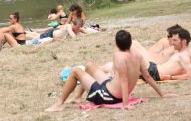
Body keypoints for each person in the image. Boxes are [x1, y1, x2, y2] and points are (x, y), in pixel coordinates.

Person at [45, 30, 174, 112]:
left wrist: (125, 104)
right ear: (130, 43)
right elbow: (148, 77)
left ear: (117, 44)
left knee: (75, 71)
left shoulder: (119, 56)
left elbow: (124, 80)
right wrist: (162, 94)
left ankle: (59, 104)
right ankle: (77, 97)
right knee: (89, 66)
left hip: (108, 95)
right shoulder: (137, 55)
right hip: (111, 87)